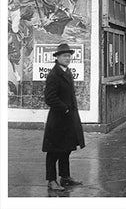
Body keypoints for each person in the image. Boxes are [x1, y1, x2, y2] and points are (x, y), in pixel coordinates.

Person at [42, 43, 85, 191]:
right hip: (58, 120)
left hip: (68, 120)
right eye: (64, 56)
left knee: (66, 149)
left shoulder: (67, 71)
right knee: (53, 150)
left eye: (69, 56)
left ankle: (65, 177)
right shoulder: (54, 75)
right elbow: (49, 98)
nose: (68, 58)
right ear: (57, 57)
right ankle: (51, 180)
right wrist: (65, 109)